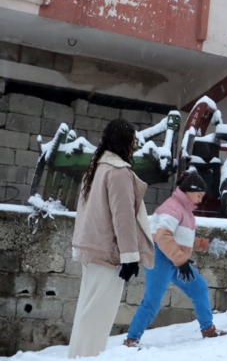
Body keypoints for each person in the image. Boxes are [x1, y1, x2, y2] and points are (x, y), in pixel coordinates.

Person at [69, 118, 155, 358]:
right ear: (124, 142)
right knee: (97, 317)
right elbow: (123, 218)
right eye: (133, 141)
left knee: (87, 312)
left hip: (91, 249)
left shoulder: (97, 167)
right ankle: (87, 357)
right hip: (108, 253)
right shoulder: (118, 171)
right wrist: (130, 257)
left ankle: (77, 356)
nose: (135, 146)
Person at [124, 172, 227, 347]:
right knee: (152, 301)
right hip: (160, 256)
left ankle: (208, 330)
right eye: (199, 195)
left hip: (174, 258)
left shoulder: (184, 210)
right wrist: (180, 261)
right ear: (190, 191)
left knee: (198, 287)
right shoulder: (173, 208)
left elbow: (182, 239)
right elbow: (163, 236)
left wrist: (206, 244)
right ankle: (131, 340)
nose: (200, 200)